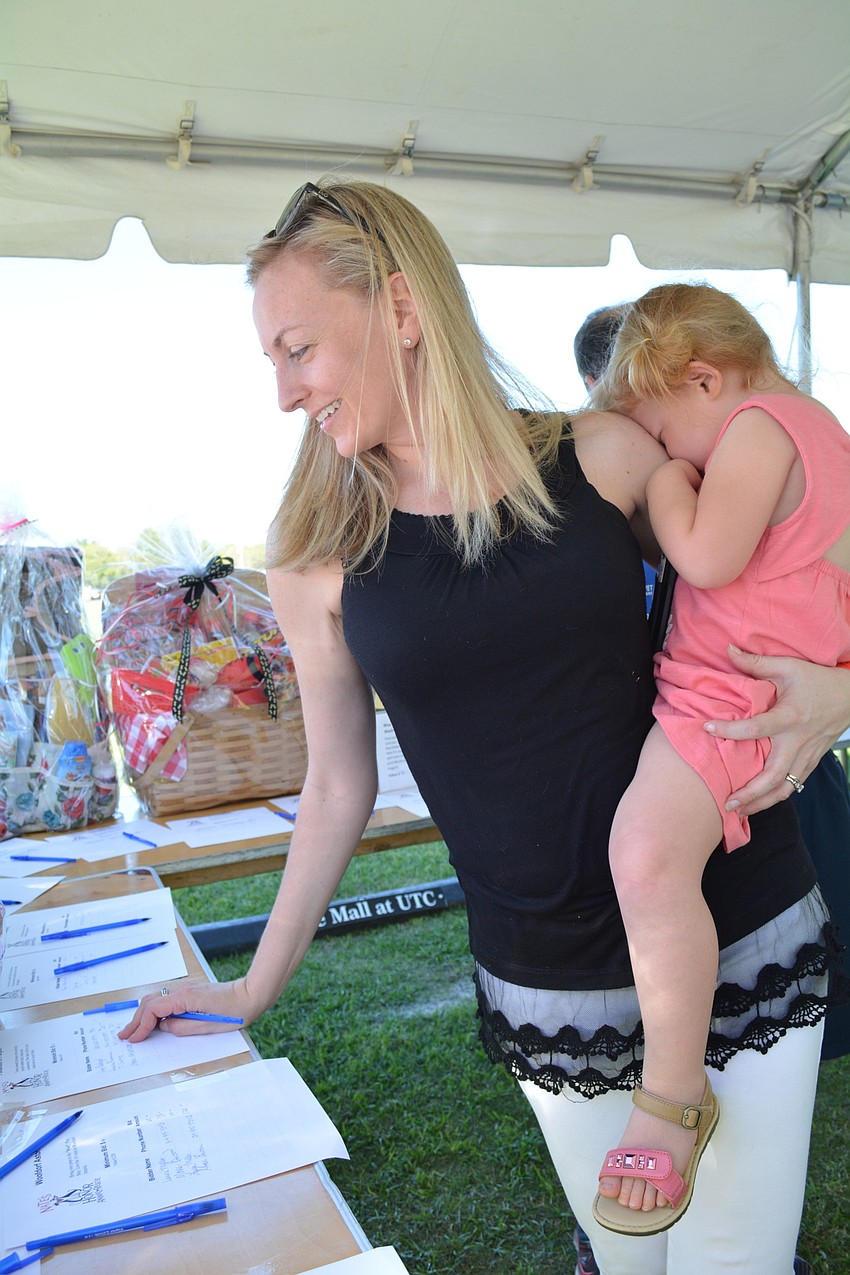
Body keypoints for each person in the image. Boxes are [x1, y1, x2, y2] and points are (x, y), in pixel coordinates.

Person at [120, 182, 850, 1275]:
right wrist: (250, 985)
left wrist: (842, 688)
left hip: (734, 927)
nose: (283, 393)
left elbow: (792, 556)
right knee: (622, 1261)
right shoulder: (314, 552)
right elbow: (335, 787)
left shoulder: (600, 456)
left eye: (299, 349)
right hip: (548, 975)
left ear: (404, 309)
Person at [587, 282, 850, 1236]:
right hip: (755, 690)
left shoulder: (757, 423)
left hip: (723, 697)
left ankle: (671, 1090)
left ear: (702, 378)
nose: (669, 457)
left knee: (643, 856)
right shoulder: (825, 432)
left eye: (663, 432)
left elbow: (703, 559)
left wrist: (662, 486)